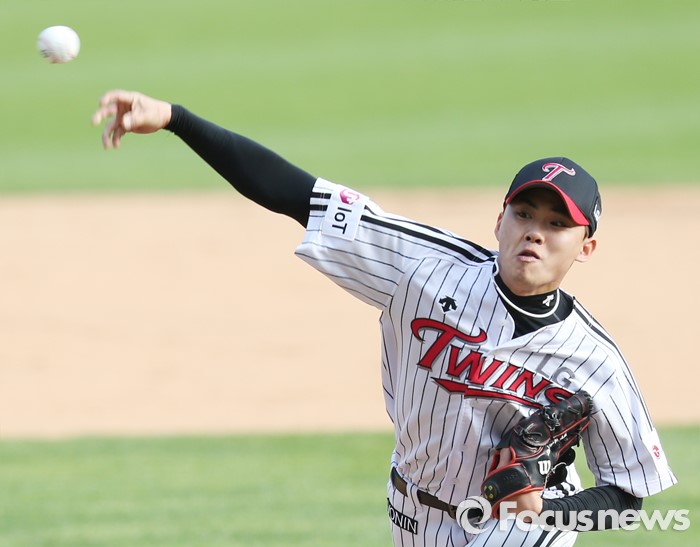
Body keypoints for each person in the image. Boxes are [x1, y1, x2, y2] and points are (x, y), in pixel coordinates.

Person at [92, 90, 677, 546]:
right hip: (413, 509)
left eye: (557, 224)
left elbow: (627, 495)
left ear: (586, 247)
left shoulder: (594, 361)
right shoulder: (422, 268)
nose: (535, 233)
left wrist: (547, 511)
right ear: (499, 220)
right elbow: (297, 195)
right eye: (524, 214)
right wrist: (176, 119)